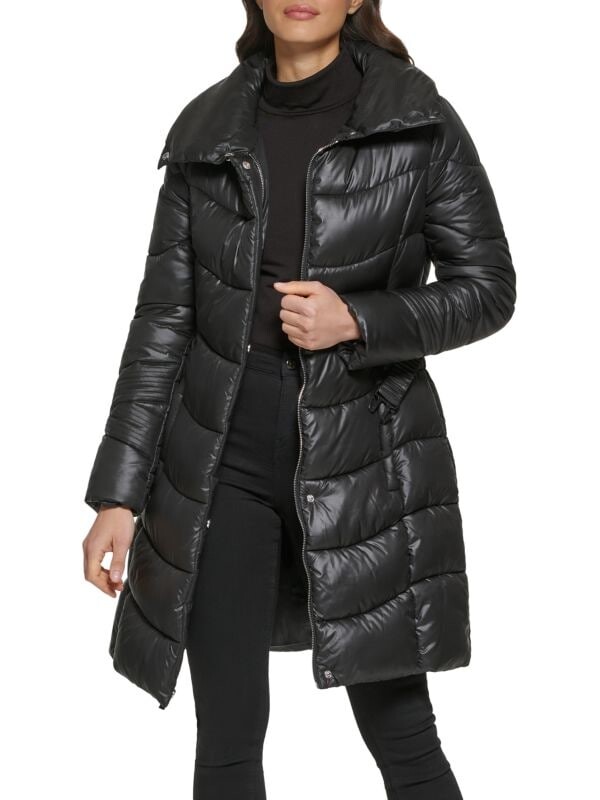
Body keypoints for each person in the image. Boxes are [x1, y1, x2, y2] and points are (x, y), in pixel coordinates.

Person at [82, 2, 517, 798]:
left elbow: (488, 288)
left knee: (402, 736)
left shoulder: (416, 120)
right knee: (227, 737)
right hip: (220, 457)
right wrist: (118, 495)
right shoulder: (208, 132)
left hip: (367, 457)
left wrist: (360, 319)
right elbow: (163, 322)